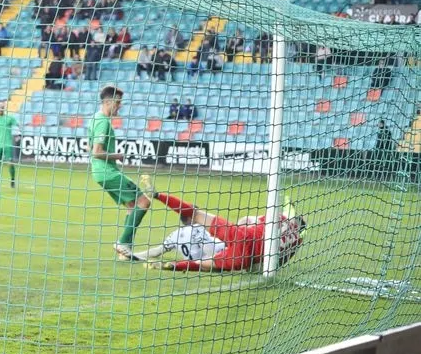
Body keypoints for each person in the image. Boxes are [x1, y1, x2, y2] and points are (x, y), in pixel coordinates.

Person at [137, 190, 305, 272]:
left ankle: (157, 195)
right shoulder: (297, 241)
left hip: (240, 237)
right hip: (244, 258)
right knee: (202, 264)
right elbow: (280, 261)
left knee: (195, 213)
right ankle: (173, 266)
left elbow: (249, 219)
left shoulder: (279, 217)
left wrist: (158, 195)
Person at [89, 85, 151, 260]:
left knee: (132, 205)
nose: (119, 106)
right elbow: (96, 152)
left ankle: (125, 252)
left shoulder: (94, 118)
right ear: (108, 102)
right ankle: (123, 243)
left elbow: (89, 146)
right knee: (144, 201)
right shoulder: (103, 122)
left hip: (100, 172)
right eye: (117, 102)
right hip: (107, 172)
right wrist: (118, 155)